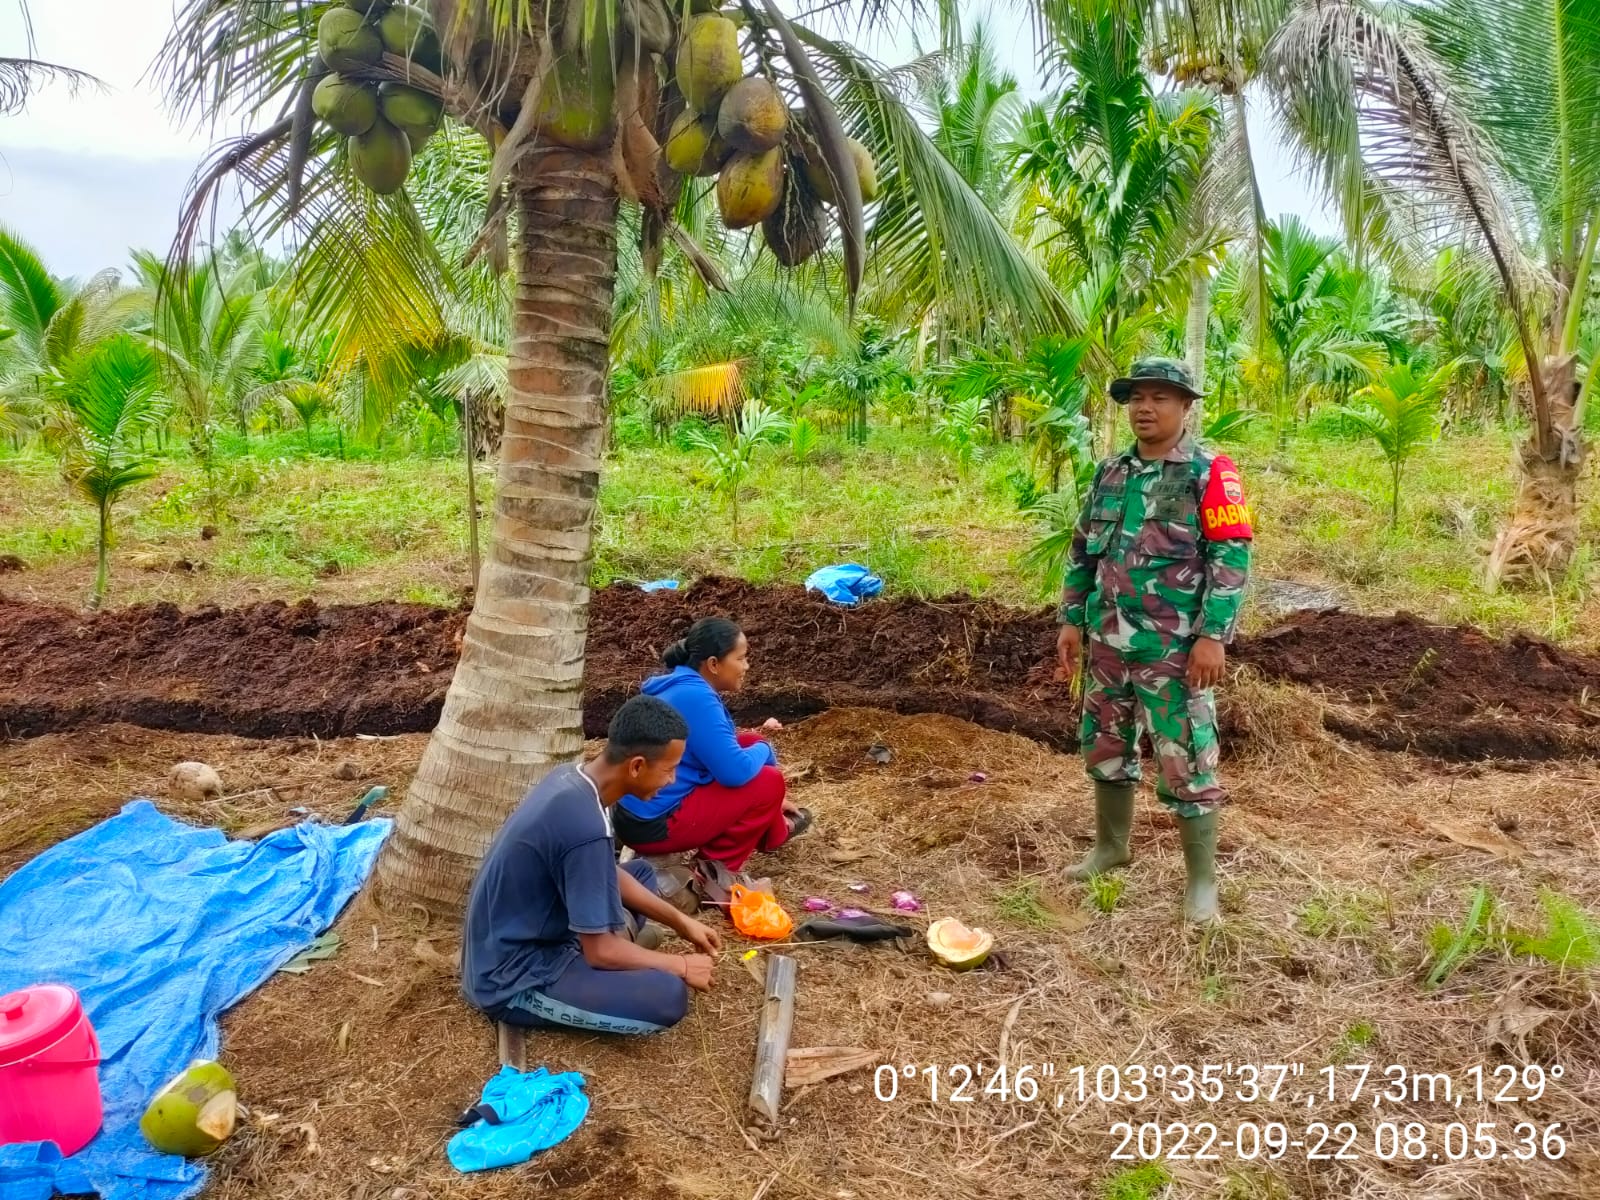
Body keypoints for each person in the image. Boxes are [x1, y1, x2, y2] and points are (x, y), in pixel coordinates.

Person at [1055, 357, 1252, 924]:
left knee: (1186, 754)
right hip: (1109, 641)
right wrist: (1072, 618)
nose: (1145, 407)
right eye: (1137, 397)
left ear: (1186, 406)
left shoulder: (1209, 472)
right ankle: (1111, 848)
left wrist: (1213, 636)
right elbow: (1084, 550)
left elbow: (1231, 557)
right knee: (1106, 745)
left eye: (1160, 397)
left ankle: (1201, 885)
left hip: (1175, 647)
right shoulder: (1111, 473)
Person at [462, 695, 723, 1034]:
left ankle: (622, 950)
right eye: (669, 770)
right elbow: (600, 952)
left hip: (538, 934)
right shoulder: (586, 827)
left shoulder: (572, 777)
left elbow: (602, 869)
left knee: (641, 874)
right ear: (637, 766)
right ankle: (617, 957)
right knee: (668, 996)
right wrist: (681, 965)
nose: (671, 780)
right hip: (512, 976)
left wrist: (681, 922)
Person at [613, 617, 813, 876]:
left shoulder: (680, 685)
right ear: (714, 664)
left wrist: (760, 750)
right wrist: (766, 748)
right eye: (740, 658)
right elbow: (734, 773)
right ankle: (710, 875)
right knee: (767, 780)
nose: (746, 666)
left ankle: (774, 830)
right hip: (654, 825)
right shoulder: (697, 697)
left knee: (748, 741)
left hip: (637, 814)